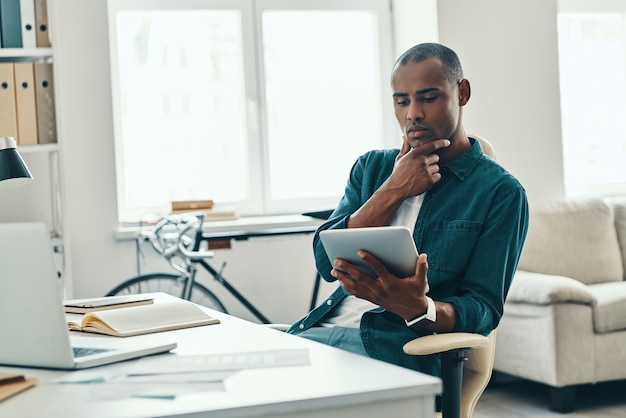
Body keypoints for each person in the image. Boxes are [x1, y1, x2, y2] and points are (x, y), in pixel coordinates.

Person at [286, 42, 529, 377]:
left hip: (396, 353)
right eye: (402, 101)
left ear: (462, 93)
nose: (413, 112)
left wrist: (421, 309)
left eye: (428, 98)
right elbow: (325, 263)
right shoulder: (371, 168)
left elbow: (483, 310)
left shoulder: (500, 193)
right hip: (319, 335)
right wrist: (394, 188)